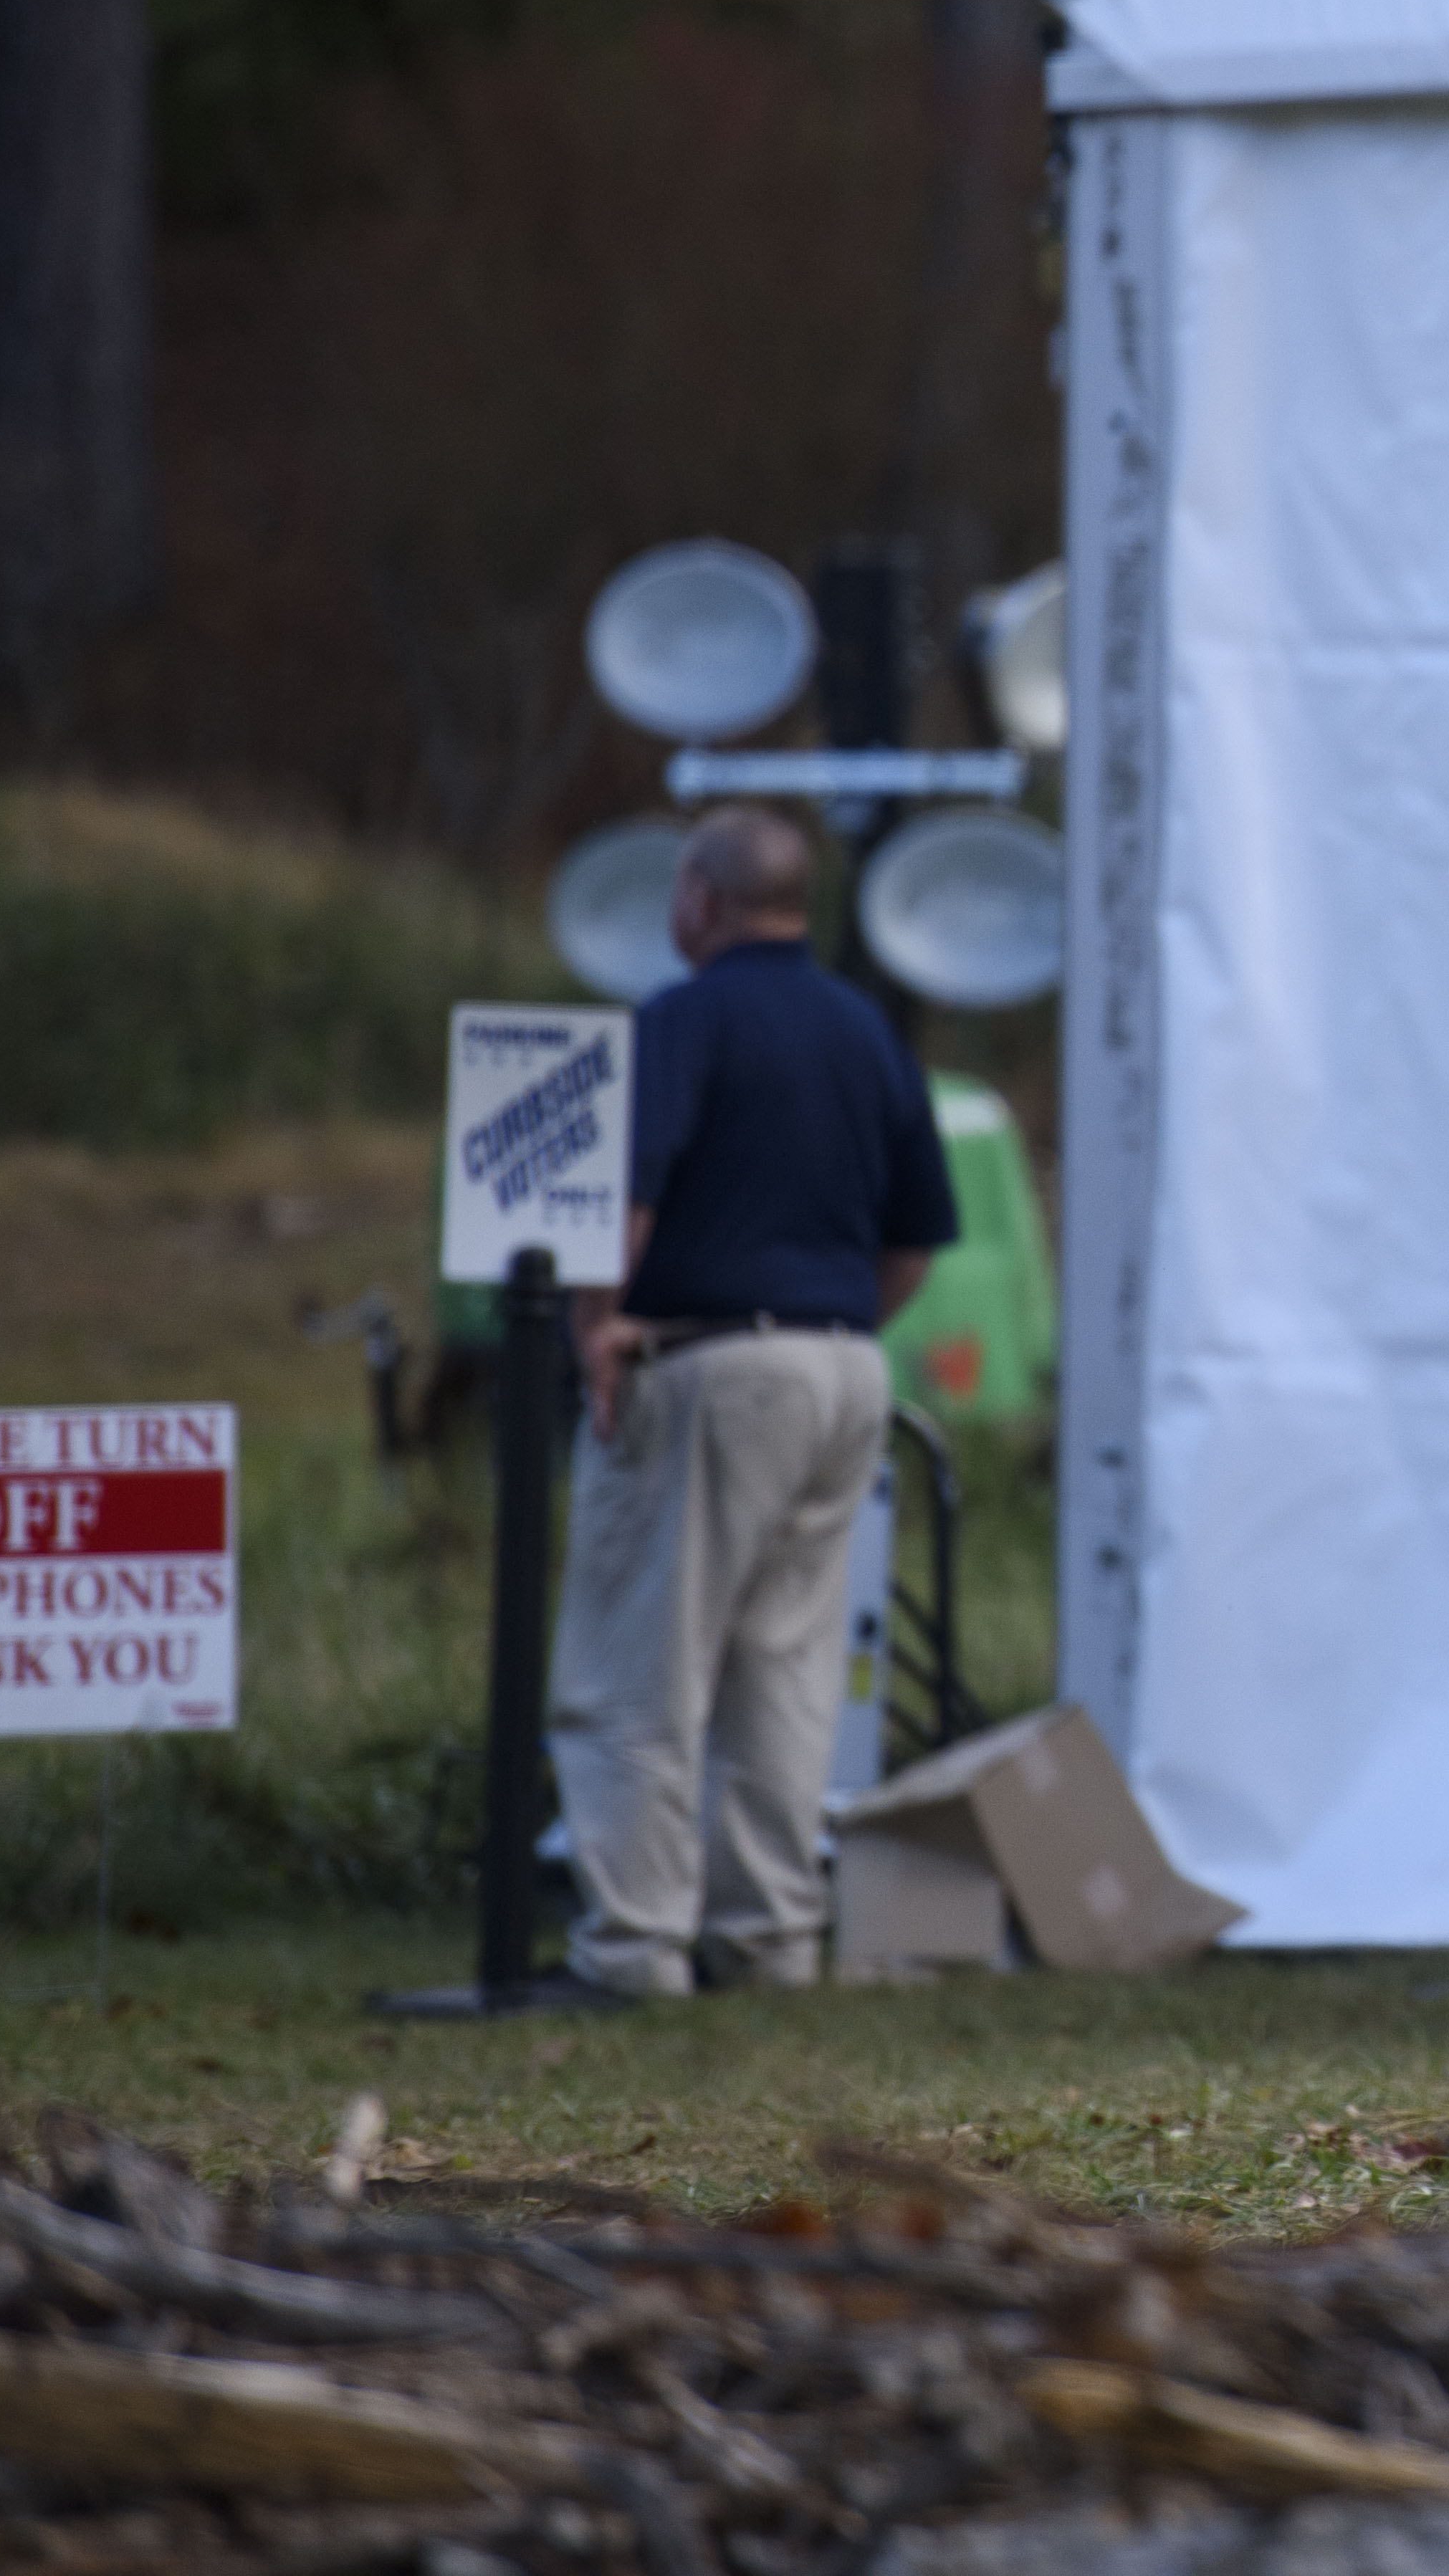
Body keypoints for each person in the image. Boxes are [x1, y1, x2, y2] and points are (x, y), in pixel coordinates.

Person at [540, 805, 958, 2002]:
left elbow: (629, 1189)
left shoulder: (681, 1020)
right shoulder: (865, 1028)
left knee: (640, 1666)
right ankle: (770, 1937)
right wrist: (838, 1329)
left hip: (710, 1363)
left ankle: (633, 1950)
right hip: (845, 1368)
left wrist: (596, 1321)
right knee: (784, 1667)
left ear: (703, 900)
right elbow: (918, 1236)